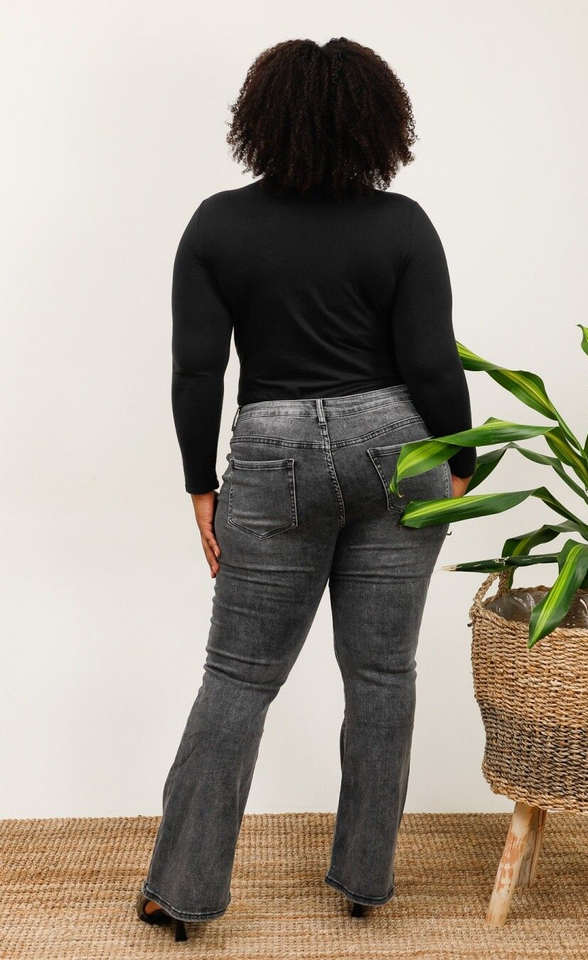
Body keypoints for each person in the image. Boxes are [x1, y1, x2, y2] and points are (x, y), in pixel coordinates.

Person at [137, 36, 476, 943]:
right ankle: (366, 881)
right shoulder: (403, 224)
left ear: (263, 117)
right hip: (398, 448)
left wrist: (200, 484)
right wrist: (462, 461)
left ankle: (180, 892)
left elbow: (197, 371)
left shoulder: (217, 225)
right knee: (382, 673)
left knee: (238, 677)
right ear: (377, 121)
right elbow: (432, 365)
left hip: (272, 450)